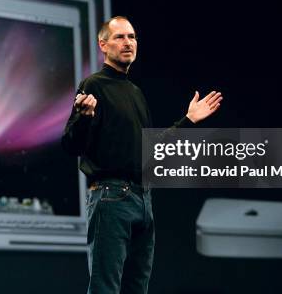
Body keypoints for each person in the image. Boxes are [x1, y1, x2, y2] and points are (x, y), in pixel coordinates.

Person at [61, 16, 222, 293]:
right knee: (105, 288)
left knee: (137, 289)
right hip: (112, 198)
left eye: (132, 37)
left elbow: (153, 150)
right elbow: (70, 145)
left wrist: (188, 120)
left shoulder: (136, 93)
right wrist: (84, 117)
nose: (128, 43)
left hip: (143, 199)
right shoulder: (93, 85)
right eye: (120, 37)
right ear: (103, 44)